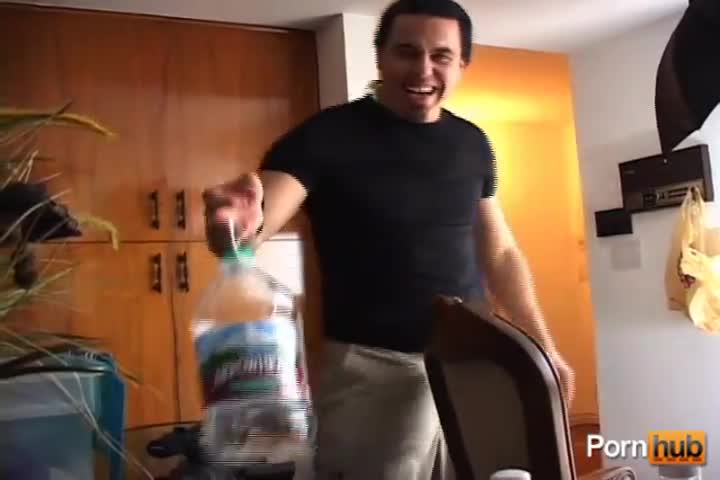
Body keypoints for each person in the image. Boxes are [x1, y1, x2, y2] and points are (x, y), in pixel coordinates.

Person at [202, 0, 575, 478]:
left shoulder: (472, 144)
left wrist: (542, 347)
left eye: (441, 56)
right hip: (373, 371)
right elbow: (249, 229)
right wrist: (231, 225)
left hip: (473, 364)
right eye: (407, 52)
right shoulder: (326, 136)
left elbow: (500, 253)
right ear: (380, 55)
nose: (423, 70)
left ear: (462, 64)